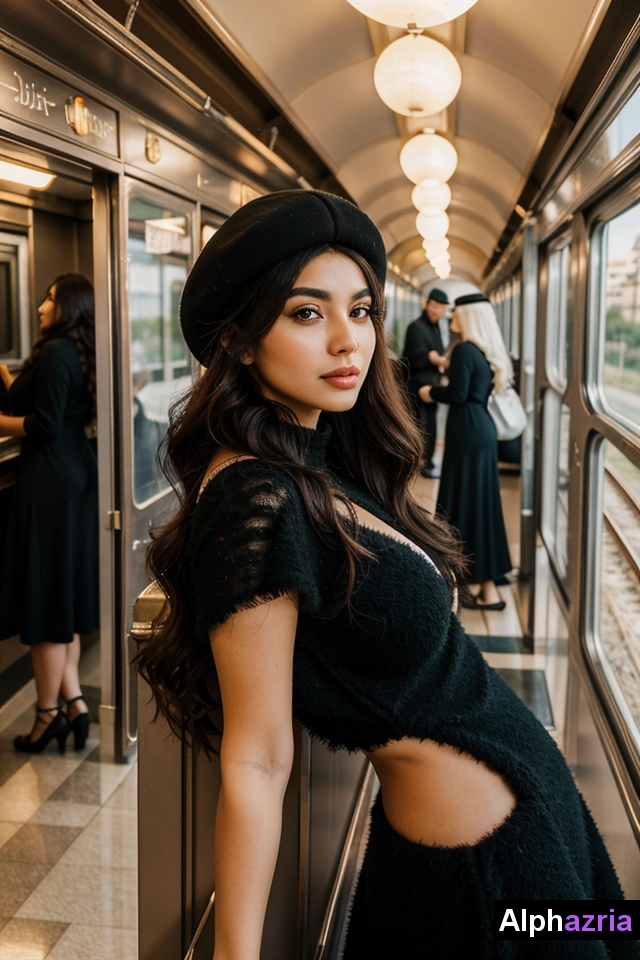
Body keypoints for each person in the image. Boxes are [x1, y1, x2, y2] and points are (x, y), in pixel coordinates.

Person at [136, 191, 628, 960]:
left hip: (531, 827)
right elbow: (258, 756)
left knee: (619, 928)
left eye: (360, 310)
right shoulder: (253, 498)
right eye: (307, 313)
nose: (348, 341)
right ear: (237, 338)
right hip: (484, 875)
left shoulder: (317, 454)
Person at [0, 275, 98, 753]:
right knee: (63, 599)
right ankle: (75, 704)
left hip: (52, 475)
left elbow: (44, 423)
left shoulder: (58, 349)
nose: (41, 305)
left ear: (68, 307)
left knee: (45, 602)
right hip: (73, 469)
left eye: (50, 298)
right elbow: (45, 402)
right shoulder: (75, 348)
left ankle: (46, 717)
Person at [420, 293, 513, 610]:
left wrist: (429, 391)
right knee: (481, 504)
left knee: (462, 501)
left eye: (455, 311)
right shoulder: (485, 352)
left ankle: (468, 582)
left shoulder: (463, 350)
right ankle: (485, 582)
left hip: (467, 429)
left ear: (468, 316)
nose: (450, 315)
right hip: (482, 428)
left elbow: (457, 394)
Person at [402, 288, 449, 478]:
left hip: (432, 385)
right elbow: (418, 356)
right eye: (434, 305)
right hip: (417, 385)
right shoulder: (416, 327)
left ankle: (428, 461)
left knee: (431, 425)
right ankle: (418, 462)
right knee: (420, 424)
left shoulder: (435, 327)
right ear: (427, 304)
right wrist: (438, 360)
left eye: (441, 308)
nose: (437, 310)